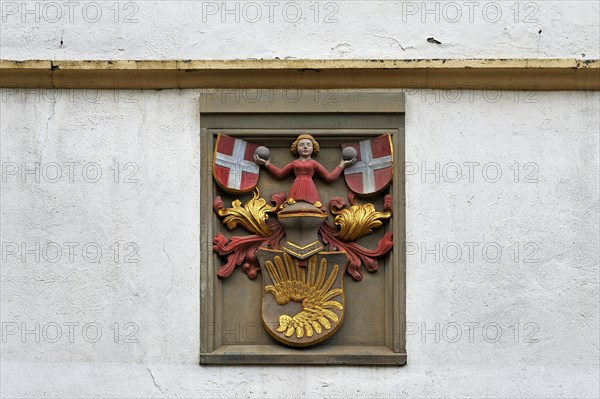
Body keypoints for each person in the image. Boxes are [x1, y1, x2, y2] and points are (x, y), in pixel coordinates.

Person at [254, 134, 355, 210]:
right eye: (302, 145)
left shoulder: (314, 163)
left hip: (310, 187)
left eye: (308, 145)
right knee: (294, 208)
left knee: (311, 209)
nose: (305, 147)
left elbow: (330, 177)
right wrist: (266, 164)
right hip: (296, 186)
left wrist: (342, 164)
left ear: (313, 148)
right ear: (296, 148)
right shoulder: (294, 163)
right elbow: (280, 174)